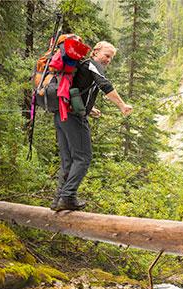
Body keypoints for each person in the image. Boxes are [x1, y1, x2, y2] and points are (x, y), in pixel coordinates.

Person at [51, 41, 132, 211]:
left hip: (61, 115)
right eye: (106, 55)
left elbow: (76, 89)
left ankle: (58, 200)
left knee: (68, 160)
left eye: (111, 58)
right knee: (83, 157)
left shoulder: (81, 66)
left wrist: (89, 108)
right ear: (95, 52)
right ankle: (68, 197)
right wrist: (122, 105)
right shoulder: (91, 64)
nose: (108, 60)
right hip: (73, 117)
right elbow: (105, 85)